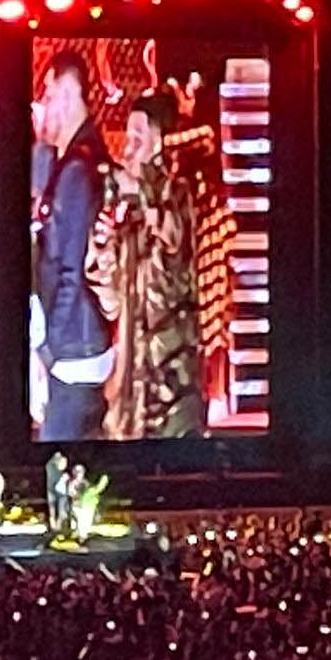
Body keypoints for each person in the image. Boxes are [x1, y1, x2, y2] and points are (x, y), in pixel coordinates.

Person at [87, 93, 203, 438]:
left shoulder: (179, 196)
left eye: (137, 139)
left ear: (160, 143)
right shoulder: (127, 209)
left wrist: (139, 191)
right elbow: (111, 302)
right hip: (130, 386)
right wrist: (103, 248)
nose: (127, 150)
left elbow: (174, 243)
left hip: (171, 381)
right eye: (127, 138)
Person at [34, 50, 112, 441]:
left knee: (57, 455)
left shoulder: (78, 172)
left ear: (67, 94)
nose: (44, 107)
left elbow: (72, 270)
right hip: (75, 346)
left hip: (75, 352)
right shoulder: (70, 164)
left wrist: (50, 349)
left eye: (49, 96)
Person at [67, 463, 109, 542]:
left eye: (81, 472)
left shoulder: (85, 482)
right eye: (78, 472)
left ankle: (81, 535)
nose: (80, 474)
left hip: (85, 505)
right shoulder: (72, 483)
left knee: (84, 521)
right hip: (78, 506)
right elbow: (71, 494)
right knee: (81, 521)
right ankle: (80, 535)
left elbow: (92, 492)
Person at [45, 450, 70, 535]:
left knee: (61, 511)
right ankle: (54, 528)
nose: (65, 465)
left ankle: (57, 528)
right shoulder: (52, 469)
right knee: (54, 511)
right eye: (64, 463)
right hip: (54, 493)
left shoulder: (61, 473)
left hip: (60, 494)